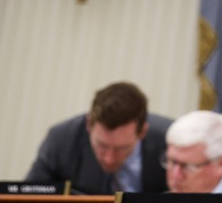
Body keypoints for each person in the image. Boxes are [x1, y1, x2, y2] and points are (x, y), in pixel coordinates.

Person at [25, 82, 171, 194]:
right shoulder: (62, 140)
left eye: (122, 148)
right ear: (89, 125)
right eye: (102, 145)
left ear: (143, 132)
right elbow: (29, 196)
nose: (109, 158)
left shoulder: (172, 143)